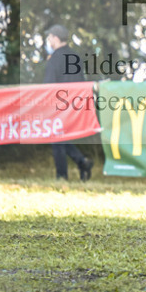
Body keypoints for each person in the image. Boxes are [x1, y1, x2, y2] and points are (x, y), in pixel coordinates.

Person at [43, 24, 94, 181]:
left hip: (59, 104)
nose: (48, 40)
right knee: (61, 137)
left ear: (56, 39)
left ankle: (62, 176)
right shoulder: (75, 57)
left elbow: (48, 85)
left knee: (57, 138)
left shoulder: (54, 60)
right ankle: (82, 162)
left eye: (50, 37)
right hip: (76, 103)